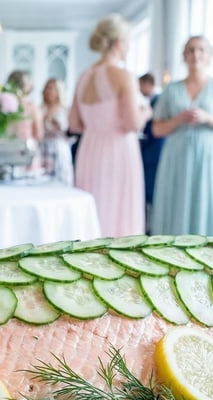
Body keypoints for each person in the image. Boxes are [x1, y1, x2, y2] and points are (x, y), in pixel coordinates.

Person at [68, 14, 150, 237]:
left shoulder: (83, 76)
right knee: (119, 214)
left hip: (89, 150)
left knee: (92, 214)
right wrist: (145, 112)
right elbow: (132, 123)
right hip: (118, 150)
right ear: (120, 43)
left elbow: (74, 123)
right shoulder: (123, 76)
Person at [149, 37, 213, 237]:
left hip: (210, 155)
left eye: (201, 50)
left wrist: (208, 117)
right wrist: (177, 120)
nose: (195, 54)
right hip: (177, 154)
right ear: (184, 55)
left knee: (209, 200)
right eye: (190, 50)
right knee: (177, 199)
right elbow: (156, 129)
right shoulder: (171, 89)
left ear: (209, 55)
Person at [137, 72, 165, 228]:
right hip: (143, 151)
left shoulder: (159, 100)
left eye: (141, 85)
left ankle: (153, 225)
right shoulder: (142, 100)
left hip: (155, 151)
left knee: (153, 191)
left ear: (148, 84)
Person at [40, 78, 73, 186]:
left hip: (59, 148)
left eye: (52, 89)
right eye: (47, 88)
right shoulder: (40, 109)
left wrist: (59, 126)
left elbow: (71, 134)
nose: (49, 91)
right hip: (43, 148)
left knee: (61, 178)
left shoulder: (64, 110)